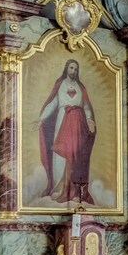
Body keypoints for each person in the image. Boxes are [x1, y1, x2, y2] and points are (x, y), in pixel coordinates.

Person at [37, 59, 96, 204]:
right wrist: (41, 118)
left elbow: (86, 106)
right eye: (71, 68)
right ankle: (58, 188)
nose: (73, 71)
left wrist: (89, 119)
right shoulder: (60, 84)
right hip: (62, 121)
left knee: (77, 156)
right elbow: (52, 104)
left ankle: (75, 191)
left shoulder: (80, 87)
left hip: (78, 123)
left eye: (76, 69)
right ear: (66, 68)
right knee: (60, 156)